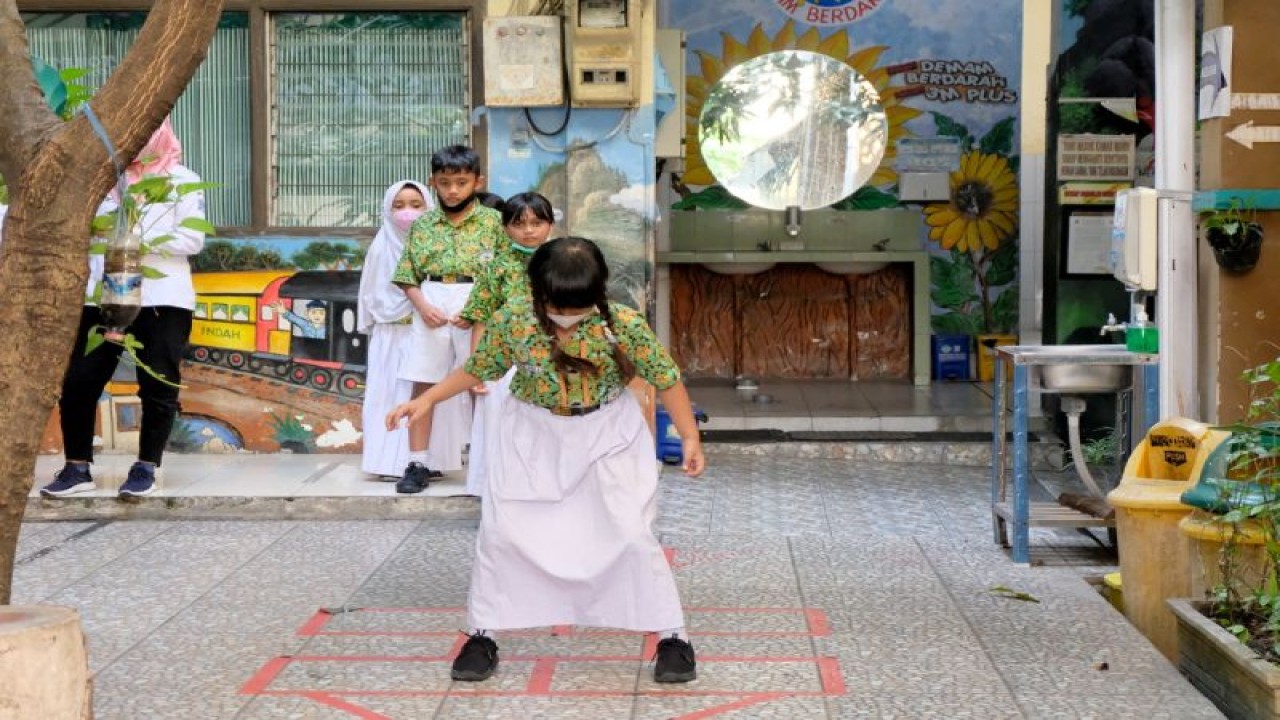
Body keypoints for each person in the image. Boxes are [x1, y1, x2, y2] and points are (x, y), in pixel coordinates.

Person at [387, 236, 707, 685]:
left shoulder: (623, 324)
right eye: (559, 306)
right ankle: (483, 633)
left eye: (578, 308)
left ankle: (673, 638)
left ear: (598, 293)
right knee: (503, 535)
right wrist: (428, 402)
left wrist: (689, 436)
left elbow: (666, 378)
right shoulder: (514, 321)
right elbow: (479, 368)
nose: (568, 317)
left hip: (607, 436)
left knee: (632, 535)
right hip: (532, 435)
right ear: (538, 291)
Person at [41, 119, 206, 499]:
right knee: (80, 381)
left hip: (161, 299)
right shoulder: (102, 181)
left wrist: (133, 240)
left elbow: (193, 239)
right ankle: (77, 467)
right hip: (104, 298)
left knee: (158, 383)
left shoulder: (181, 180)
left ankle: (146, 467)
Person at [390, 145, 505, 494]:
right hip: (433, 300)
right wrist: (422, 305)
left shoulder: (494, 222)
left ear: (477, 181)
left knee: (480, 383)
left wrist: (479, 310)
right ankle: (418, 462)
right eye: (445, 183)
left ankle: (490, 465)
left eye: (461, 182)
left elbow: (503, 272)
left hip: (479, 301)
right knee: (424, 382)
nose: (453, 190)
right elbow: (406, 273)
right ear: (433, 183)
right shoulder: (423, 224)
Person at [457, 191, 556, 497]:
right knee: (499, 426)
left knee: (547, 427)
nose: (529, 230)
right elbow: (481, 319)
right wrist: (478, 369)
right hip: (503, 361)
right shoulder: (495, 268)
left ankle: (546, 490)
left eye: (537, 222)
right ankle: (497, 492)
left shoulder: (564, 261)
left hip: (552, 358)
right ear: (505, 228)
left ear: (550, 224)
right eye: (519, 223)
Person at [357, 179, 456, 479]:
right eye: (398, 206)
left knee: (427, 395)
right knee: (391, 395)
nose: (407, 213)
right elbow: (369, 293)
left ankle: (427, 459)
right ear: (387, 210)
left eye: (416, 205)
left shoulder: (441, 246)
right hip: (392, 336)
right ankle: (388, 463)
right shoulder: (380, 248)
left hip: (428, 332)